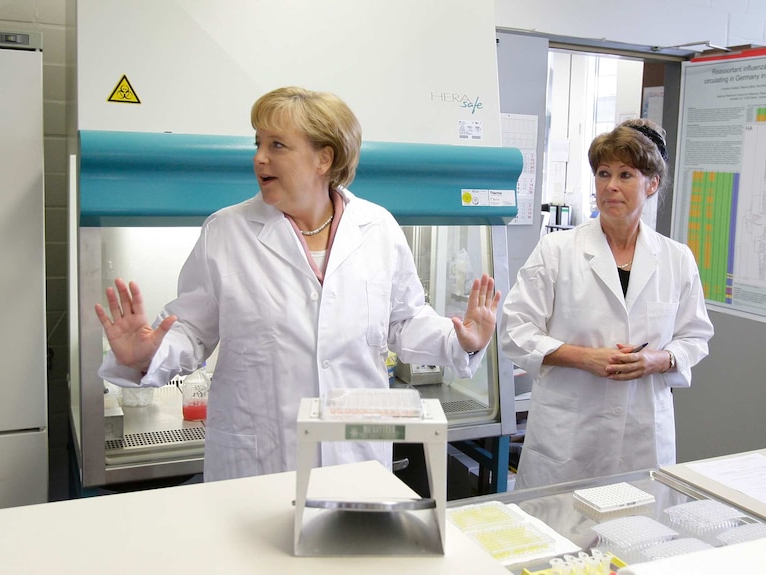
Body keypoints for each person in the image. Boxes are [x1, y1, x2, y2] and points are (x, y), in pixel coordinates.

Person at [95, 86, 501, 482]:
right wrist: (145, 356)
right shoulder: (226, 232)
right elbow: (190, 331)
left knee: (350, 545)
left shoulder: (377, 228)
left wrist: (461, 340)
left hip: (355, 456)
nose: (258, 158)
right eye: (258, 143)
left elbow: (405, 321)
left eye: (277, 145)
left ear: (324, 158)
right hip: (261, 458)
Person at [499, 119, 714, 489]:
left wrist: (657, 360)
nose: (611, 186)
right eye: (603, 173)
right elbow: (515, 332)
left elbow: (695, 337)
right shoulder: (557, 251)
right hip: (569, 439)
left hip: (642, 435)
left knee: (638, 533)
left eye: (626, 174)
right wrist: (585, 358)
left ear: (652, 184)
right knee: (559, 533)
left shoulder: (677, 259)